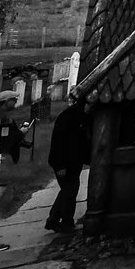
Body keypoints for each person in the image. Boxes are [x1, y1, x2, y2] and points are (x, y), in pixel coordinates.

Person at [46, 95, 92, 232]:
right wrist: (60, 165)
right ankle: (65, 222)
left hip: (73, 162)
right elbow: (58, 143)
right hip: (63, 162)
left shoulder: (81, 116)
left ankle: (53, 221)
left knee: (68, 190)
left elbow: (82, 142)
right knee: (69, 190)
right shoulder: (68, 117)